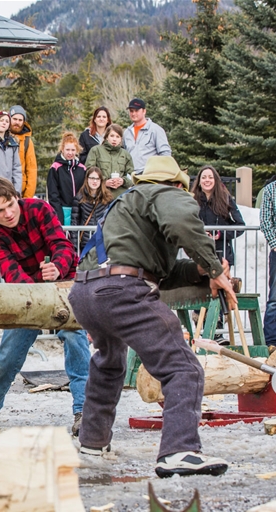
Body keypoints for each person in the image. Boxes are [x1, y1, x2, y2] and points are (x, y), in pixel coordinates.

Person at [69, 156, 234, 477]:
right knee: (182, 367)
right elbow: (182, 223)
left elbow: (158, 273)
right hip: (122, 289)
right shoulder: (164, 193)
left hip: (85, 291)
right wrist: (214, 267)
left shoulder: (125, 204)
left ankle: (92, 440)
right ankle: (179, 450)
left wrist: (200, 271)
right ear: (176, 184)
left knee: (109, 362)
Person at [0, 177, 90, 436]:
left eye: (10, 205)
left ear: (16, 198)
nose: (8, 214)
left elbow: (62, 245)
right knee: (6, 357)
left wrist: (57, 266)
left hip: (63, 286)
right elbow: (12, 275)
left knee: (76, 344)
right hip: (27, 297)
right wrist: (36, 293)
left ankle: (86, 413)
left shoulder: (39, 209)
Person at [190, 165, 244, 267]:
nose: (207, 180)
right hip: (199, 253)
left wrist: (219, 234)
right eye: (204, 177)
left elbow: (240, 226)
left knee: (220, 283)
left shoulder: (225, 199)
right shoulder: (192, 200)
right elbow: (187, 223)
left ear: (216, 180)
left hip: (222, 255)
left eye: (210, 177)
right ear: (199, 181)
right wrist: (200, 232)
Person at [47, 132, 87, 225]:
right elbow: (53, 194)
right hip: (63, 210)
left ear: (77, 150)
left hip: (78, 211)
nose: (70, 153)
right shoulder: (55, 168)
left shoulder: (82, 168)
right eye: (67, 149)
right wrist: (58, 214)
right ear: (62, 149)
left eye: (73, 150)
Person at [84, 124, 134, 198]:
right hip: (100, 195)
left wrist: (123, 181)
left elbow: (131, 175)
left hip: (120, 197)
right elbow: (89, 171)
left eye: (117, 137)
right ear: (107, 137)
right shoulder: (96, 150)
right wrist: (103, 182)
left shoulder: (126, 154)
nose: (114, 139)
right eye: (112, 136)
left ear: (121, 139)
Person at [123, 98, 171, 174]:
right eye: (131, 111)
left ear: (144, 111)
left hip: (150, 176)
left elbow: (165, 154)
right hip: (131, 176)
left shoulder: (156, 130)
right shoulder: (127, 133)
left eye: (136, 111)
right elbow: (123, 156)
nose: (133, 113)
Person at [71, 167, 113, 248]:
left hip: (102, 241)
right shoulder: (79, 197)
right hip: (85, 243)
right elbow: (74, 222)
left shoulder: (108, 198)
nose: (95, 181)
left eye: (97, 179)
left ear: (101, 181)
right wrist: (75, 247)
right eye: (92, 178)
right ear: (87, 179)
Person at [8, 105, 37, 199]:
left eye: (20, 120)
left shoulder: (27, 142)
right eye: (15, 119)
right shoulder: (0, 138)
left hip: (20, 192)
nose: (17, 122)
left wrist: (28, 197)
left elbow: (31, 170)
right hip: (1, 188)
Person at [260, 181, 276, 347]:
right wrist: (275, 243)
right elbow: (265, 220)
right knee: (275, 299)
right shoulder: (271, 190)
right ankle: (271, 341)